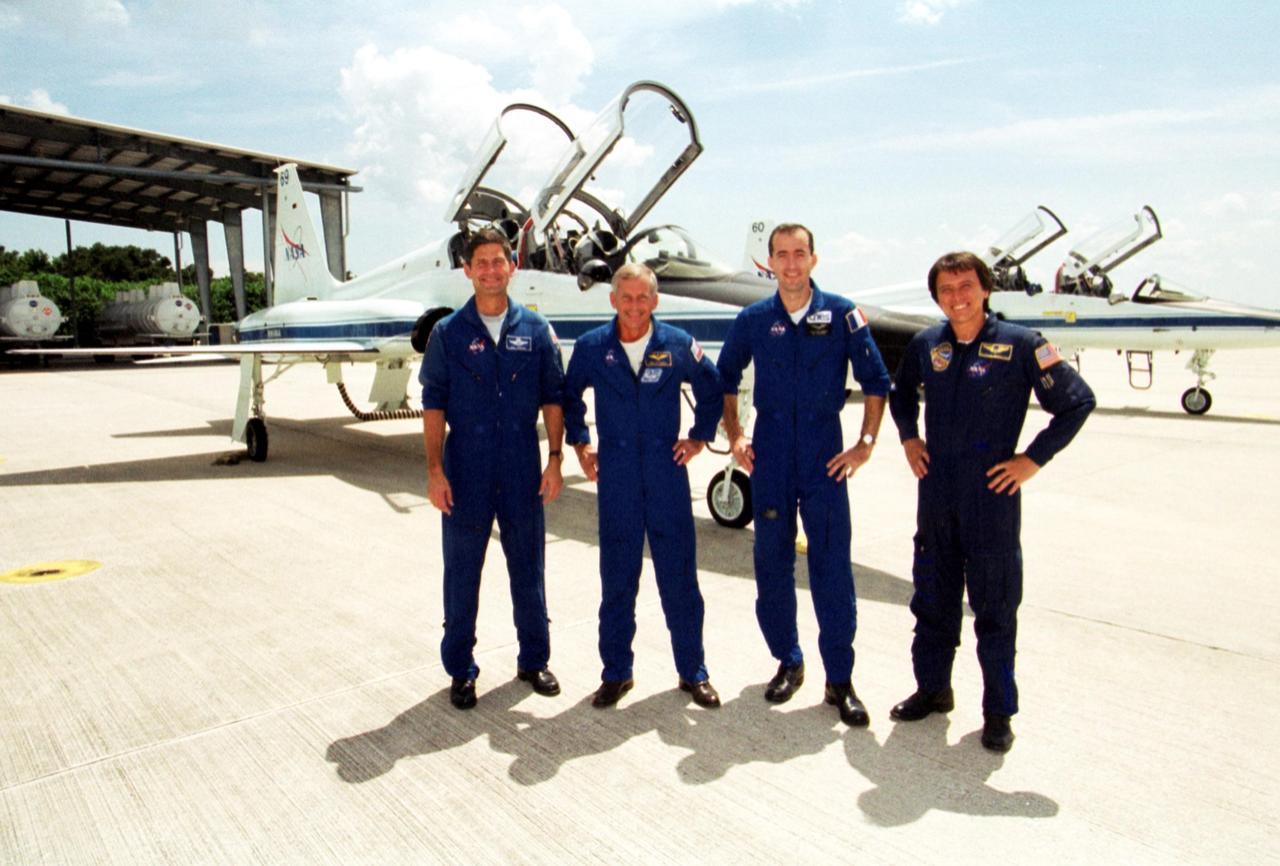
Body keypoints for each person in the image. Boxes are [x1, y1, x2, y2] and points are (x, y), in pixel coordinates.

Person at [888, 251, 1095, 752]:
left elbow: (1077, 401)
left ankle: (998, 711)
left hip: (991, 500)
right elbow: (900, 393)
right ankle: (933, 689)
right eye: (945, 290)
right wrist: (909, 438)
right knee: (932, 601)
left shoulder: (1022, 345)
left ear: (985, 289)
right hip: (936, 497)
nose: (956, 298)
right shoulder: (926, 343)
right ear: (936, 296)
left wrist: (1032, 460)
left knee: (995, 610)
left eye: (965, 286)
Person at [717, 223, 891, 727]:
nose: (790, 264)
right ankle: (787, 661)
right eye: (781, 255)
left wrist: (865, 444)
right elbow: (726, 377)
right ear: (769, 262)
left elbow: (876, 380)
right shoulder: (752, 318)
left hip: (824, 454)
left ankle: (840, 679)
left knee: (832, 567)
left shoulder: (842, 314)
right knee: (771, 564)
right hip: (769, 453)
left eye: (799, 254)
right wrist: (735, 434)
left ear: (815, 258)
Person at [563, 263, 724, 709]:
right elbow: (568, 395)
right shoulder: (593, 347)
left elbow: (712, 388)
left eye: (643, 298)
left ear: (655, 301)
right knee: (617, 580)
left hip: (666, 475)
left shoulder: (676, 344)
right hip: (616, 477)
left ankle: (693, 672)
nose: (634, 306)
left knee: (680, 580)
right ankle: (616, 673)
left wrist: (698, 437)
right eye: (626, 297)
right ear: (613, 299)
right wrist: (580, 442)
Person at [420, 226, 566, 710]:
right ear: (467, 271)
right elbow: (434, 404)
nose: (489, 271)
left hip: (523, 464)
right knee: (462, 573)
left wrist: (555, 459)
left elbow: (552, 397)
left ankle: (534, 660)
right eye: (479, 263)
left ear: (511, 266)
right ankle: (461, 669)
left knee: (529, 568)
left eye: (497, 262)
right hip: (466, 468)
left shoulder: (536, 330)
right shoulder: (448, 333)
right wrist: (435, 471)